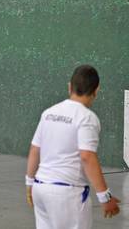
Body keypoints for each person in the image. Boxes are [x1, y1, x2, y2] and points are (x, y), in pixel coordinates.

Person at [25, 65, 121, 229]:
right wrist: (105, 196)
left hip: (40, 188)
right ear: (96, 90)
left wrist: (29, 184)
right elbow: (87, 156)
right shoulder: (87, 118)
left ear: (70, 86)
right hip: (66, 195)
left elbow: (35, 149)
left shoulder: (49, 112)